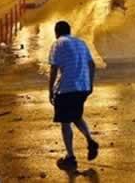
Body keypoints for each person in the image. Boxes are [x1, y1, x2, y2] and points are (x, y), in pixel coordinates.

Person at [48, 21, 99, 171]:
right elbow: (92, 65)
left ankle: (70, 157)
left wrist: (50, 90)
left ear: (56, 32)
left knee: (65, 123)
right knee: (76, 116)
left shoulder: (58, 44)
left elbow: (54, 69)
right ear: (69, 31)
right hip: (82, 88)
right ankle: (90, 141)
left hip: (66, 89)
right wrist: (90, 84)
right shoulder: (81, 43)